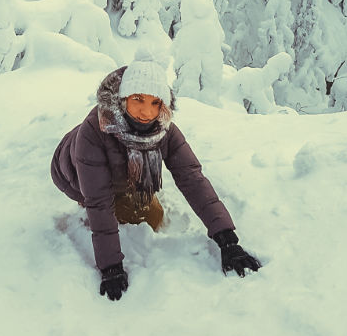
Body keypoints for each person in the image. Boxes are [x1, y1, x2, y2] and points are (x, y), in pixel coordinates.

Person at [51, 49, 261, 300]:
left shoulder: (163, 129)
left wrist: (227, 239)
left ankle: (125, 191)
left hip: (120, 166)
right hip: (71, 171)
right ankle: (86, 202)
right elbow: (98, 200)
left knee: (153, 215)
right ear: (123, 98)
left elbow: (192, 178)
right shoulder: (93, 133)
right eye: (137, 99)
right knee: (119, 211)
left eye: (154, 102)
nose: (145, 112)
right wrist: (110, 267)